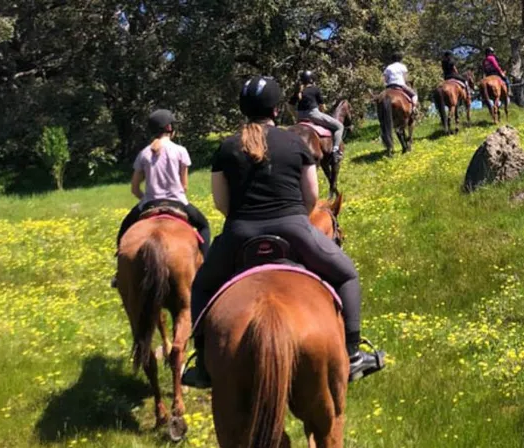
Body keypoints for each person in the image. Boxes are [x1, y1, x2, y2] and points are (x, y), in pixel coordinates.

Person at [181, 75, 385, 388]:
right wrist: (294, 218)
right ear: (276, 109)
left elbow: (222, 203)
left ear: (243, 109)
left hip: (238, 234)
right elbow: (312, 197)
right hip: (294, 229)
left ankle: (202, 364)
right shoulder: (294, 142)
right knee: (347, 274)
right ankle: (354, 355)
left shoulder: (226, 147)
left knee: (202, 285)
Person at [113, 110, 211, 285]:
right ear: (170, 128)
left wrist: (146, 199)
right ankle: (206, 268)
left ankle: (119, 274)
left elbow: (135, 188)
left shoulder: (144, 154)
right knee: (204, 225)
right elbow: (184, 186)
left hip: (149, 203)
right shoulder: (180, 151)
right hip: (178, 202)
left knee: (124, 229)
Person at [289, 70, 345, 163]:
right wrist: (323, 113)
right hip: (313, 114)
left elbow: (290, 106)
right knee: (339, 126)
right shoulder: (315, 89)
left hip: (300, 116)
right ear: (312, 80)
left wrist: (295, 116)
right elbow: (322, 106)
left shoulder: (298, 91)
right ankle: (335, 151)